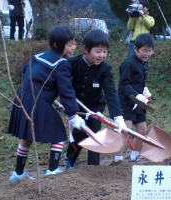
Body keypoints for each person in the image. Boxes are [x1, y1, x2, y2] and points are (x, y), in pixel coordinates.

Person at [8, 25, 85, 182]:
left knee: (27, 137)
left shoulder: (39, 56)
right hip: (37, 102)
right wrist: (73, 114)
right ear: (57, 44)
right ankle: (52, 170)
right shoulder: (62, 64)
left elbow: (22, 71)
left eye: (74, 43)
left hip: (23, 97)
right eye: (69, 44)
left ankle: (17, 173)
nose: (73, 47)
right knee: (58, 133)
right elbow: (66, 91)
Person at [65, 29, 126, 169]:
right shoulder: (71, 63)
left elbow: (111, 92)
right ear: (85, 49)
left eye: (104, 51)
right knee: (79, 134)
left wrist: (118, 117)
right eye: (98, 51)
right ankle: (70, 160)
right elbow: (63, 84)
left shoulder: (105, 69)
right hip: (77, 107)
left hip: (95, 109)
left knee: (95, 136)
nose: (102, 55)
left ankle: (94, 168)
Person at [115, 33, 154, 163]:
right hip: (126, 103)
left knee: (142, 131)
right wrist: (136, 94)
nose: (147, 54)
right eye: (144, 50)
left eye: (150, 51)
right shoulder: (129, 64)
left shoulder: (143, 64)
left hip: (139, 104)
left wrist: (144, 91)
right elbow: (124, 85)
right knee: (124, 131)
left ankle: (134, 157)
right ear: (135, 49)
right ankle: (118, 160)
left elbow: (137, 82)